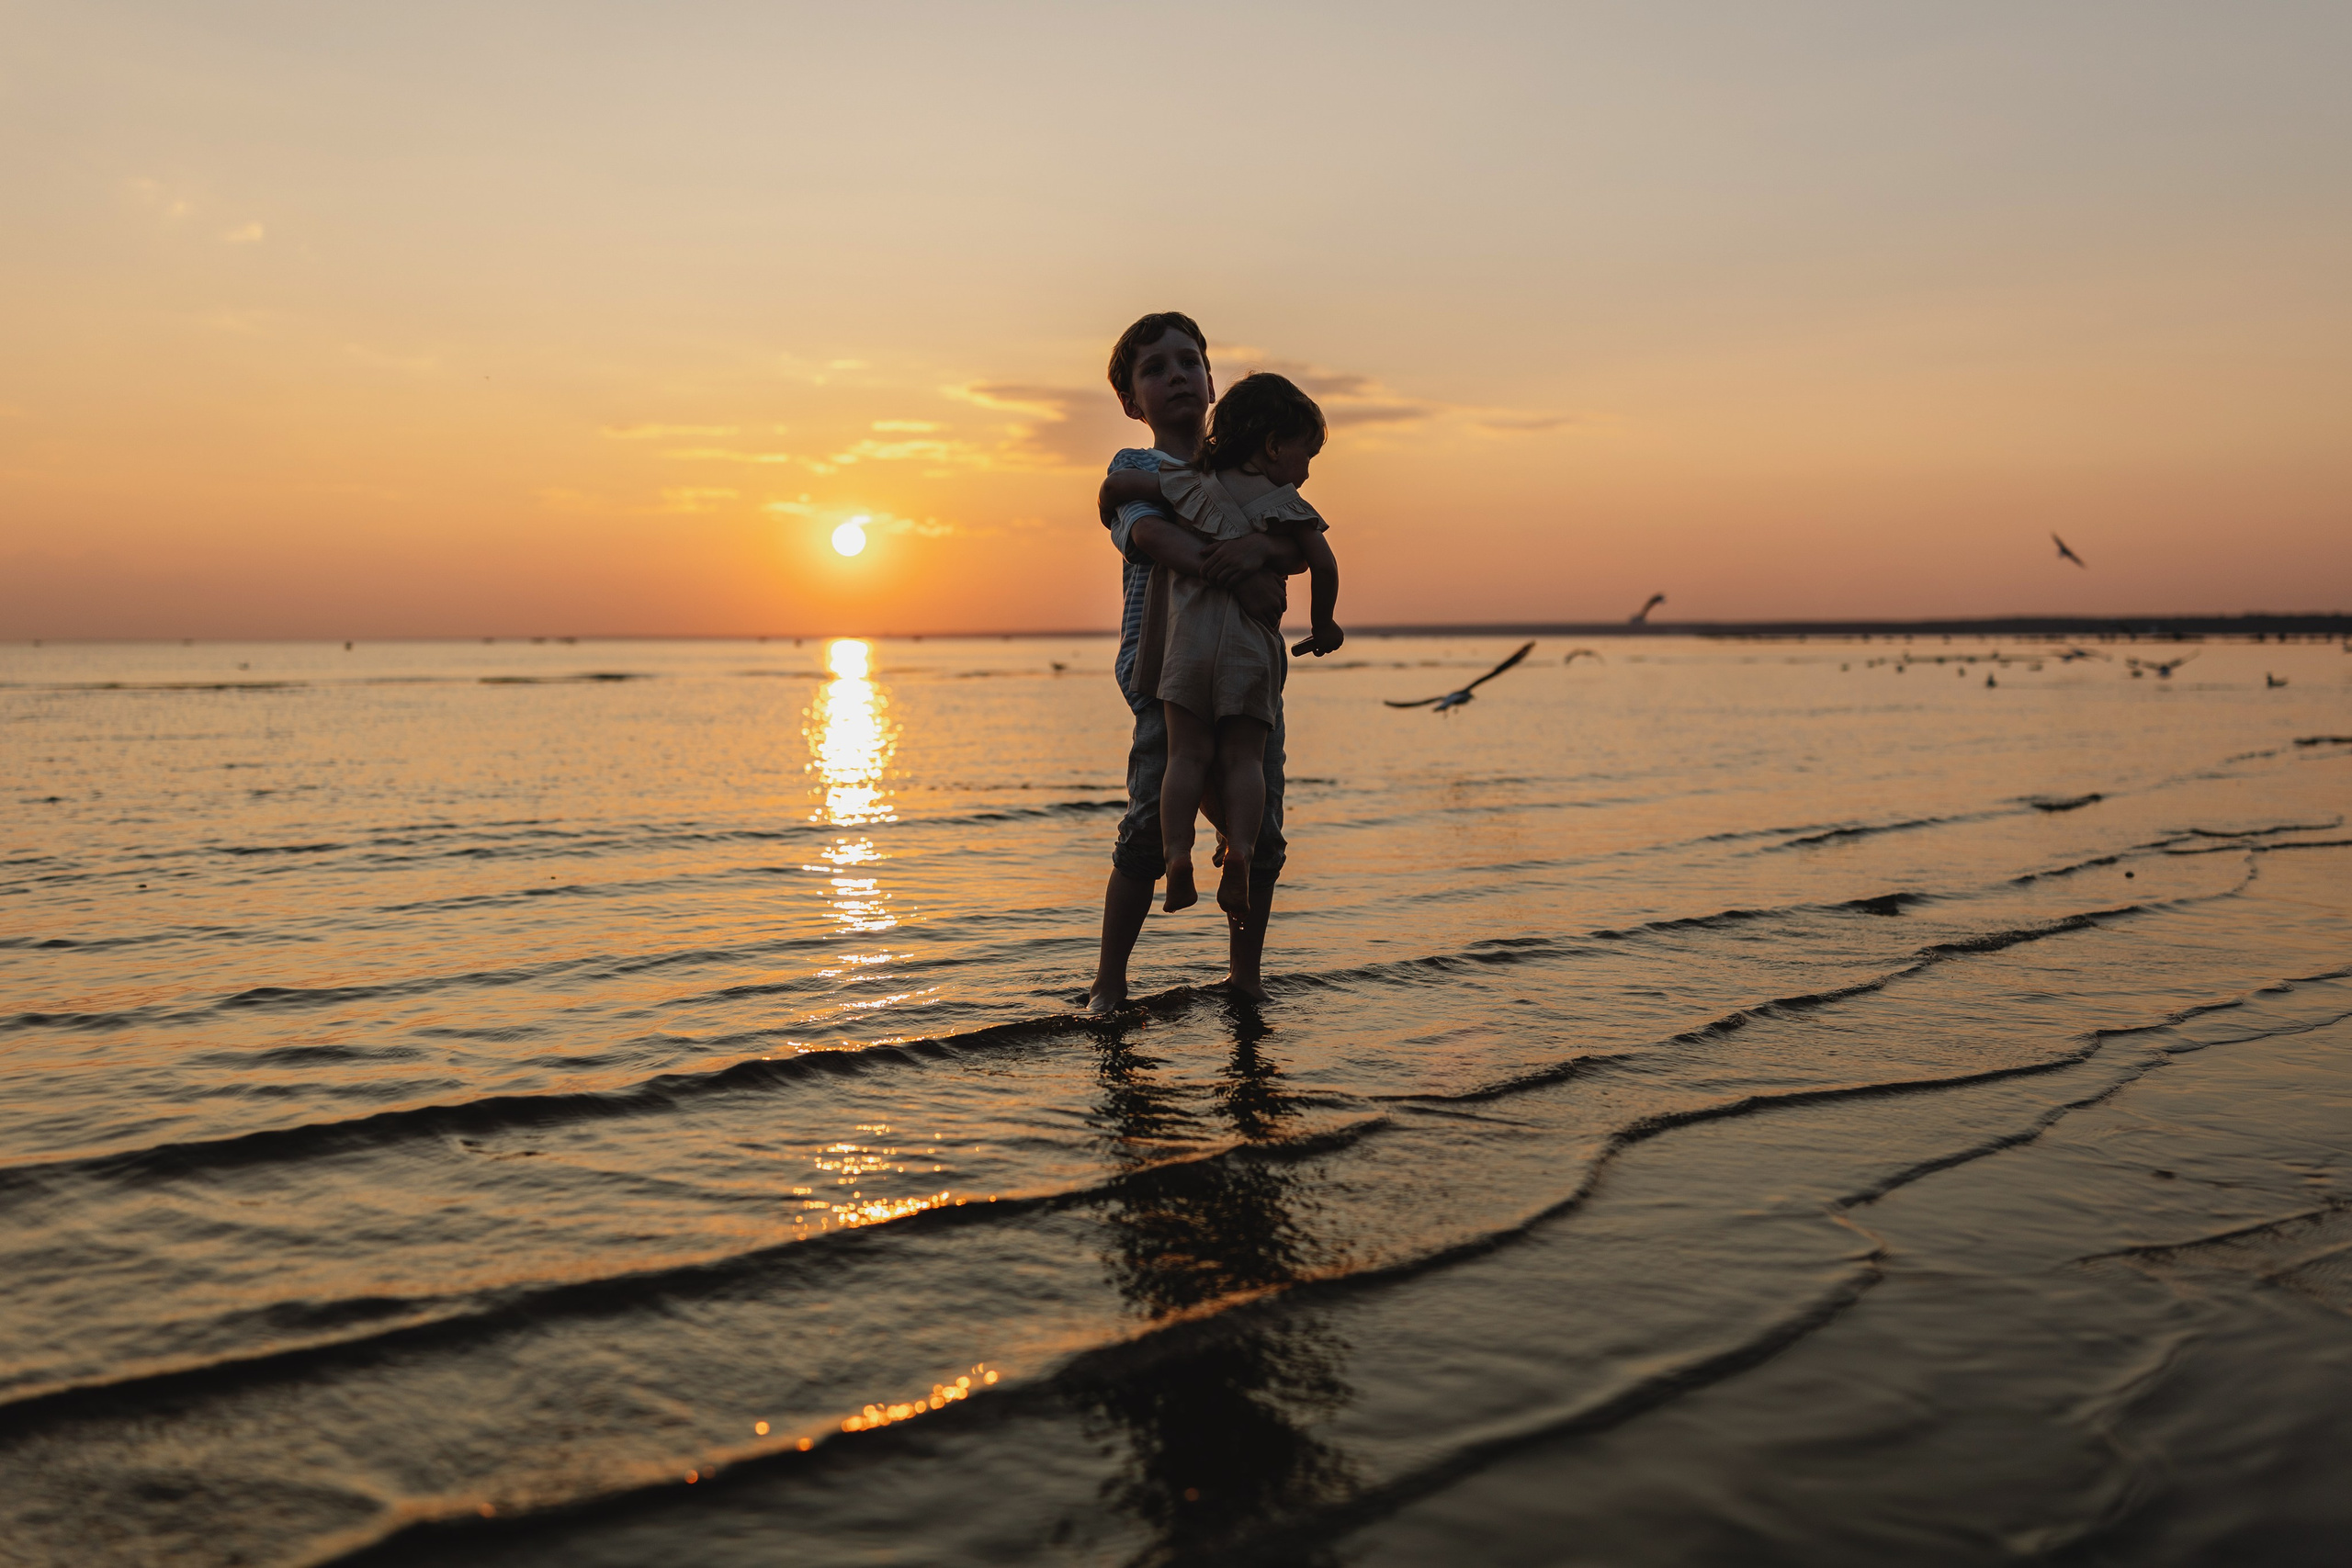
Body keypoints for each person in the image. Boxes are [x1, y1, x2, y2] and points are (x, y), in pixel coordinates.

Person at [1085, 312, 1306, 1013]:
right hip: (1166, 676)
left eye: (1189, 362)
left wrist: (1263, 554)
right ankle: (1108, 983)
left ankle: (1246, 977)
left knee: (1259, 830)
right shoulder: (1137, 468)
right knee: (1148, 826)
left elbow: (1295, 535)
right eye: (1155, 368)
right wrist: (1241, 571)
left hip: (1246, 673)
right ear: (1130, 401)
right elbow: (1151, 536)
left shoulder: (1245, 469)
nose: (1176, 374)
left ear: (1212, 381)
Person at [1099, 374, 1342, 917]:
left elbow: (1124, 493)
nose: (1305, 471)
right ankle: (1241, 854)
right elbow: (1320, 562)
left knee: (1185, 755)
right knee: (1243, 760)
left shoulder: (1193, 483)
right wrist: (1325, 624)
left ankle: (1178, 856)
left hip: (1185, 647)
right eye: (1306, 456)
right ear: (1275, 445)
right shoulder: (1286, 502)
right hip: (1247, 653)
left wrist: (1107, 496)